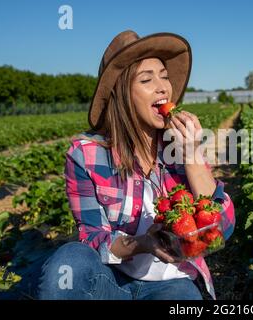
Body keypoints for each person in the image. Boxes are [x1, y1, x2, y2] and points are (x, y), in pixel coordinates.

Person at [37, 31, 235, 300]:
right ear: (122, 95)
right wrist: (143, 244)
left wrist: (192, 155)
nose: (163, 86)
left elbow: (222, 227)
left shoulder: (180, 147)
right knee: (69, 259)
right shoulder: (86, 156)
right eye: (146, 79)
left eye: (164, 76)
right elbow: (93, 237)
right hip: (111, 279)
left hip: (173, 281)